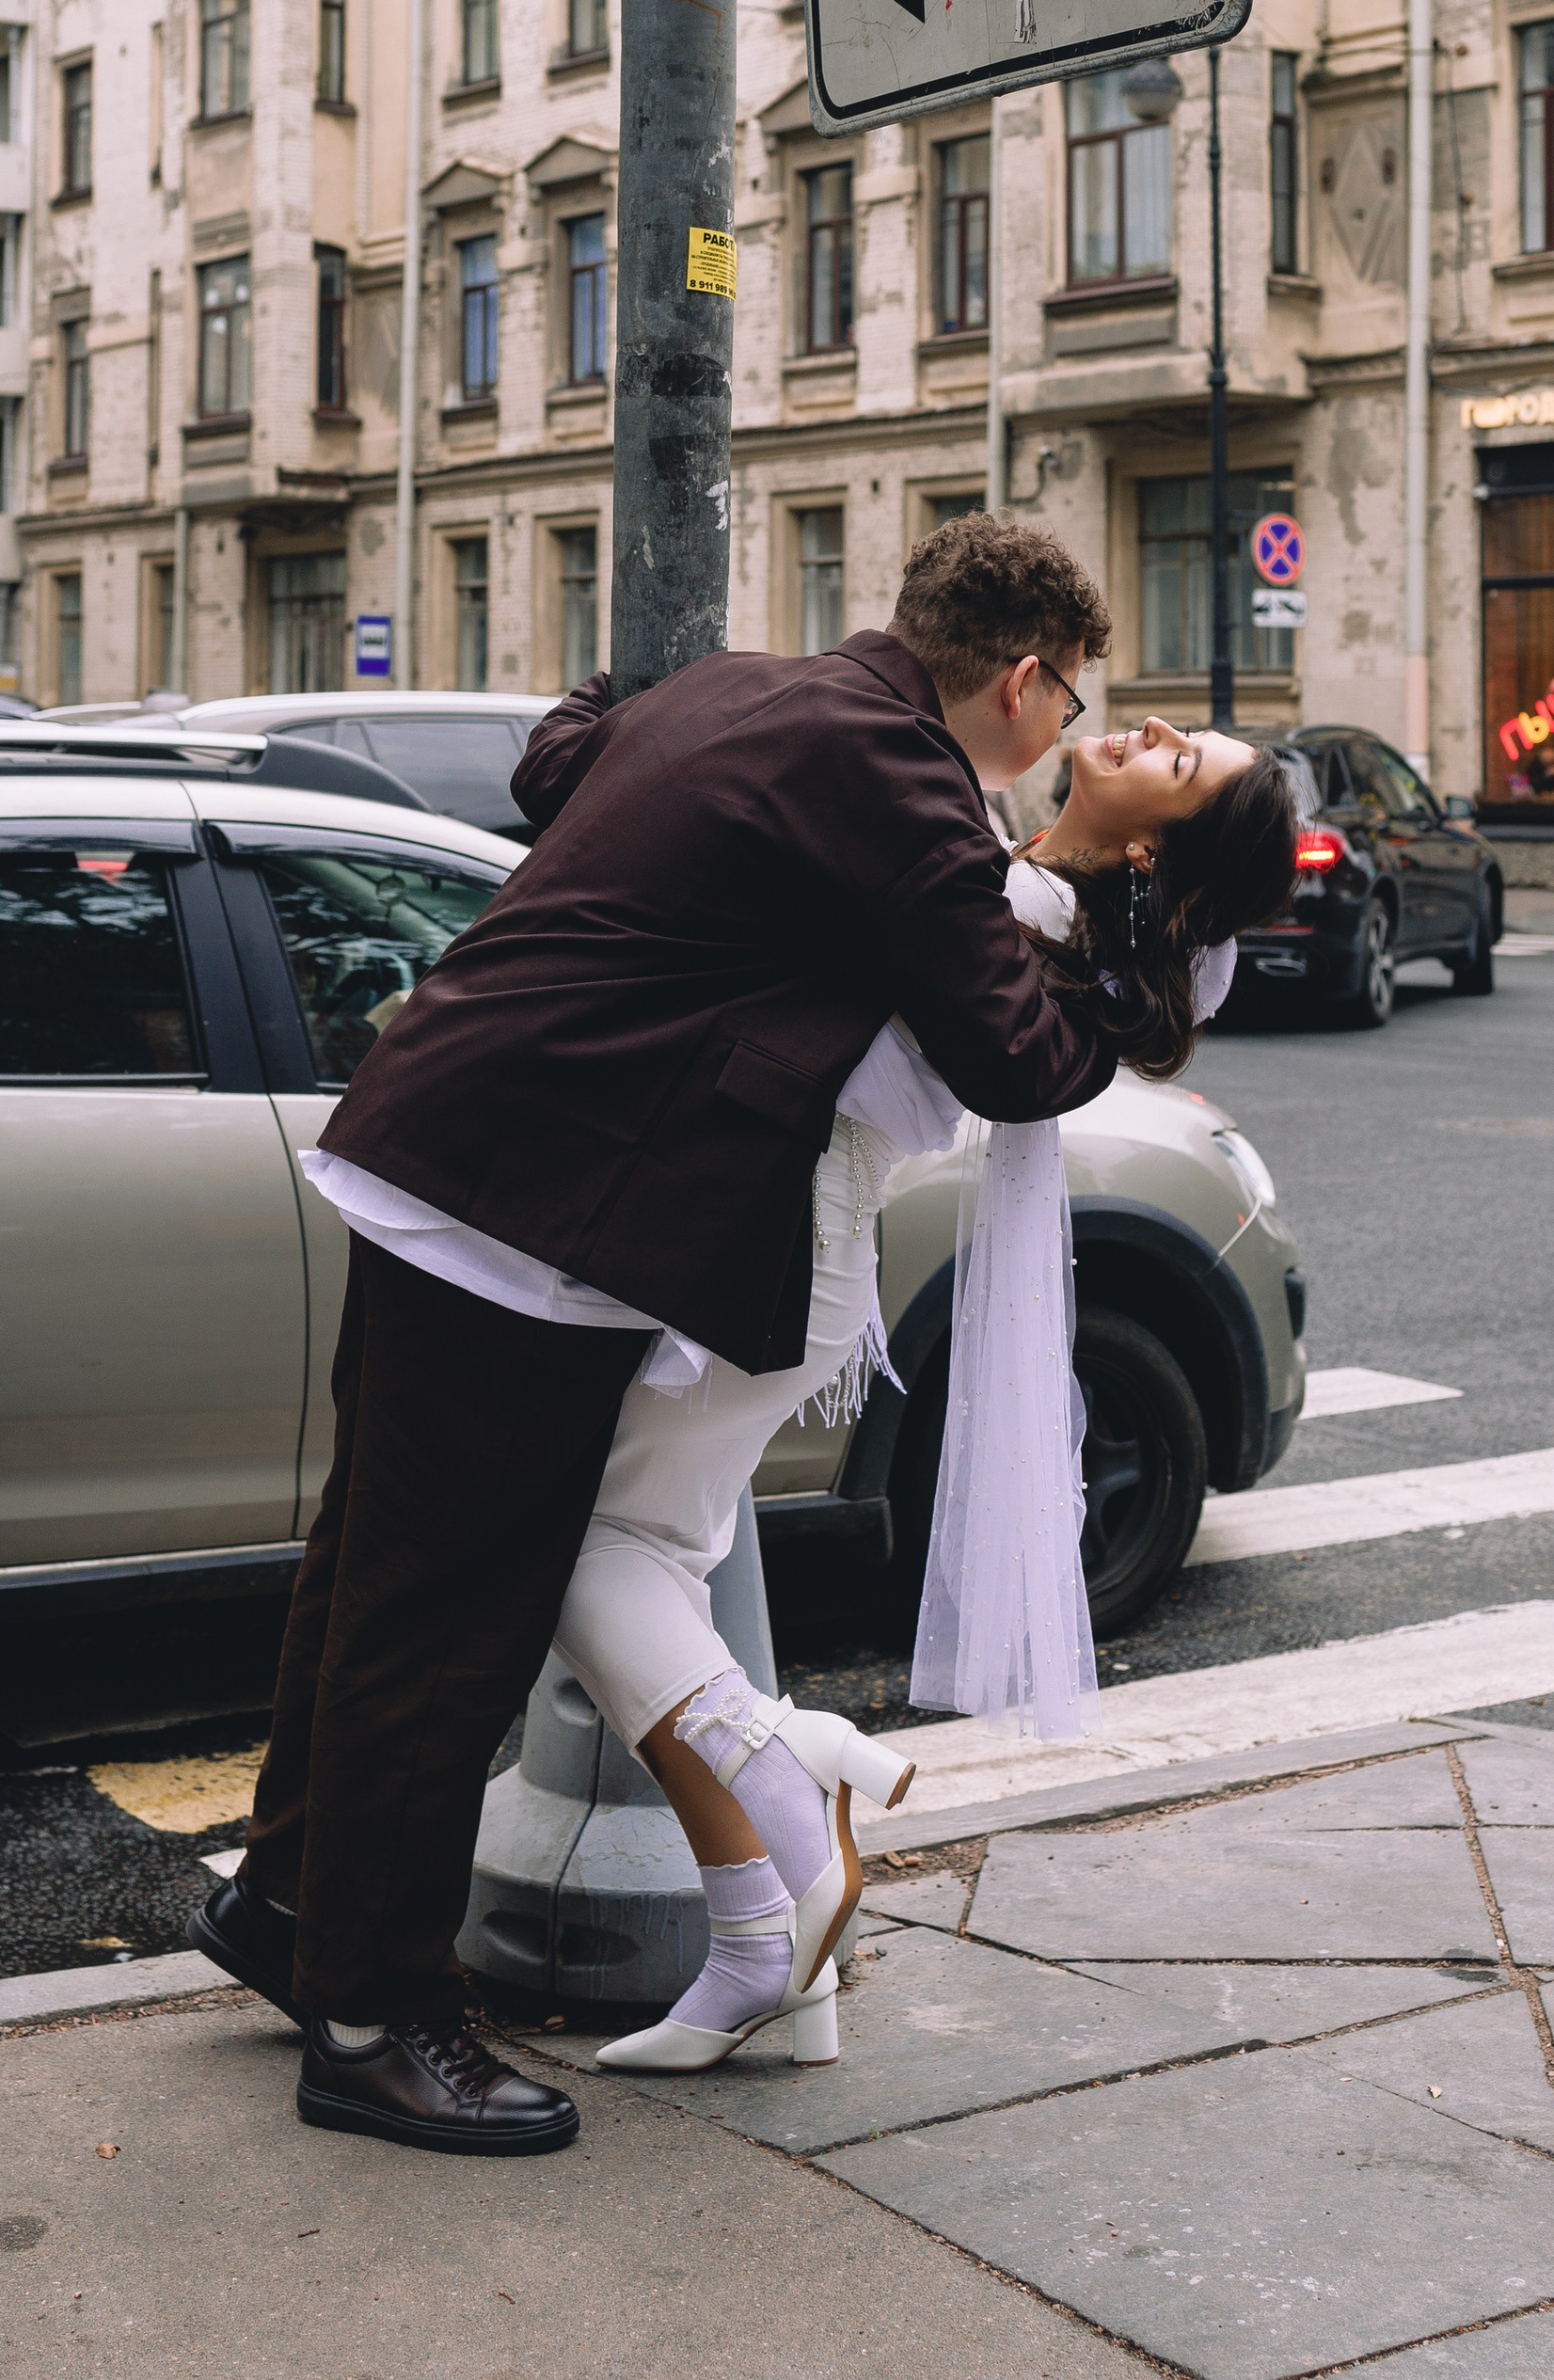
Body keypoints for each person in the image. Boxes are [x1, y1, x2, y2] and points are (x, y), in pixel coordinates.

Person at [194, 516, 1126, 2155]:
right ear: (1026, 678)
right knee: (447, 1626)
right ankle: (372, 2020)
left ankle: (288, 1910)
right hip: (537, 1219)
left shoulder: (744, 693)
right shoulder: (901, 775)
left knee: (369, 1579)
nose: (1061, 737)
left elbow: (563, 752)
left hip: (446, 1153)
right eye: (1067, 703)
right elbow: (1015, 1056)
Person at [556, 712, 1302, 2075]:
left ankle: (797, 1782)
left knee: (591, 1562)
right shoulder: (1022, 891)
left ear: (1149, 841)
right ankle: (763, 1959)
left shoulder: (1009, 903)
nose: (1147, 728)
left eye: (1180, 762)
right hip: (789, 1248)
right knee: (654, 1587)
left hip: (774, 1250)